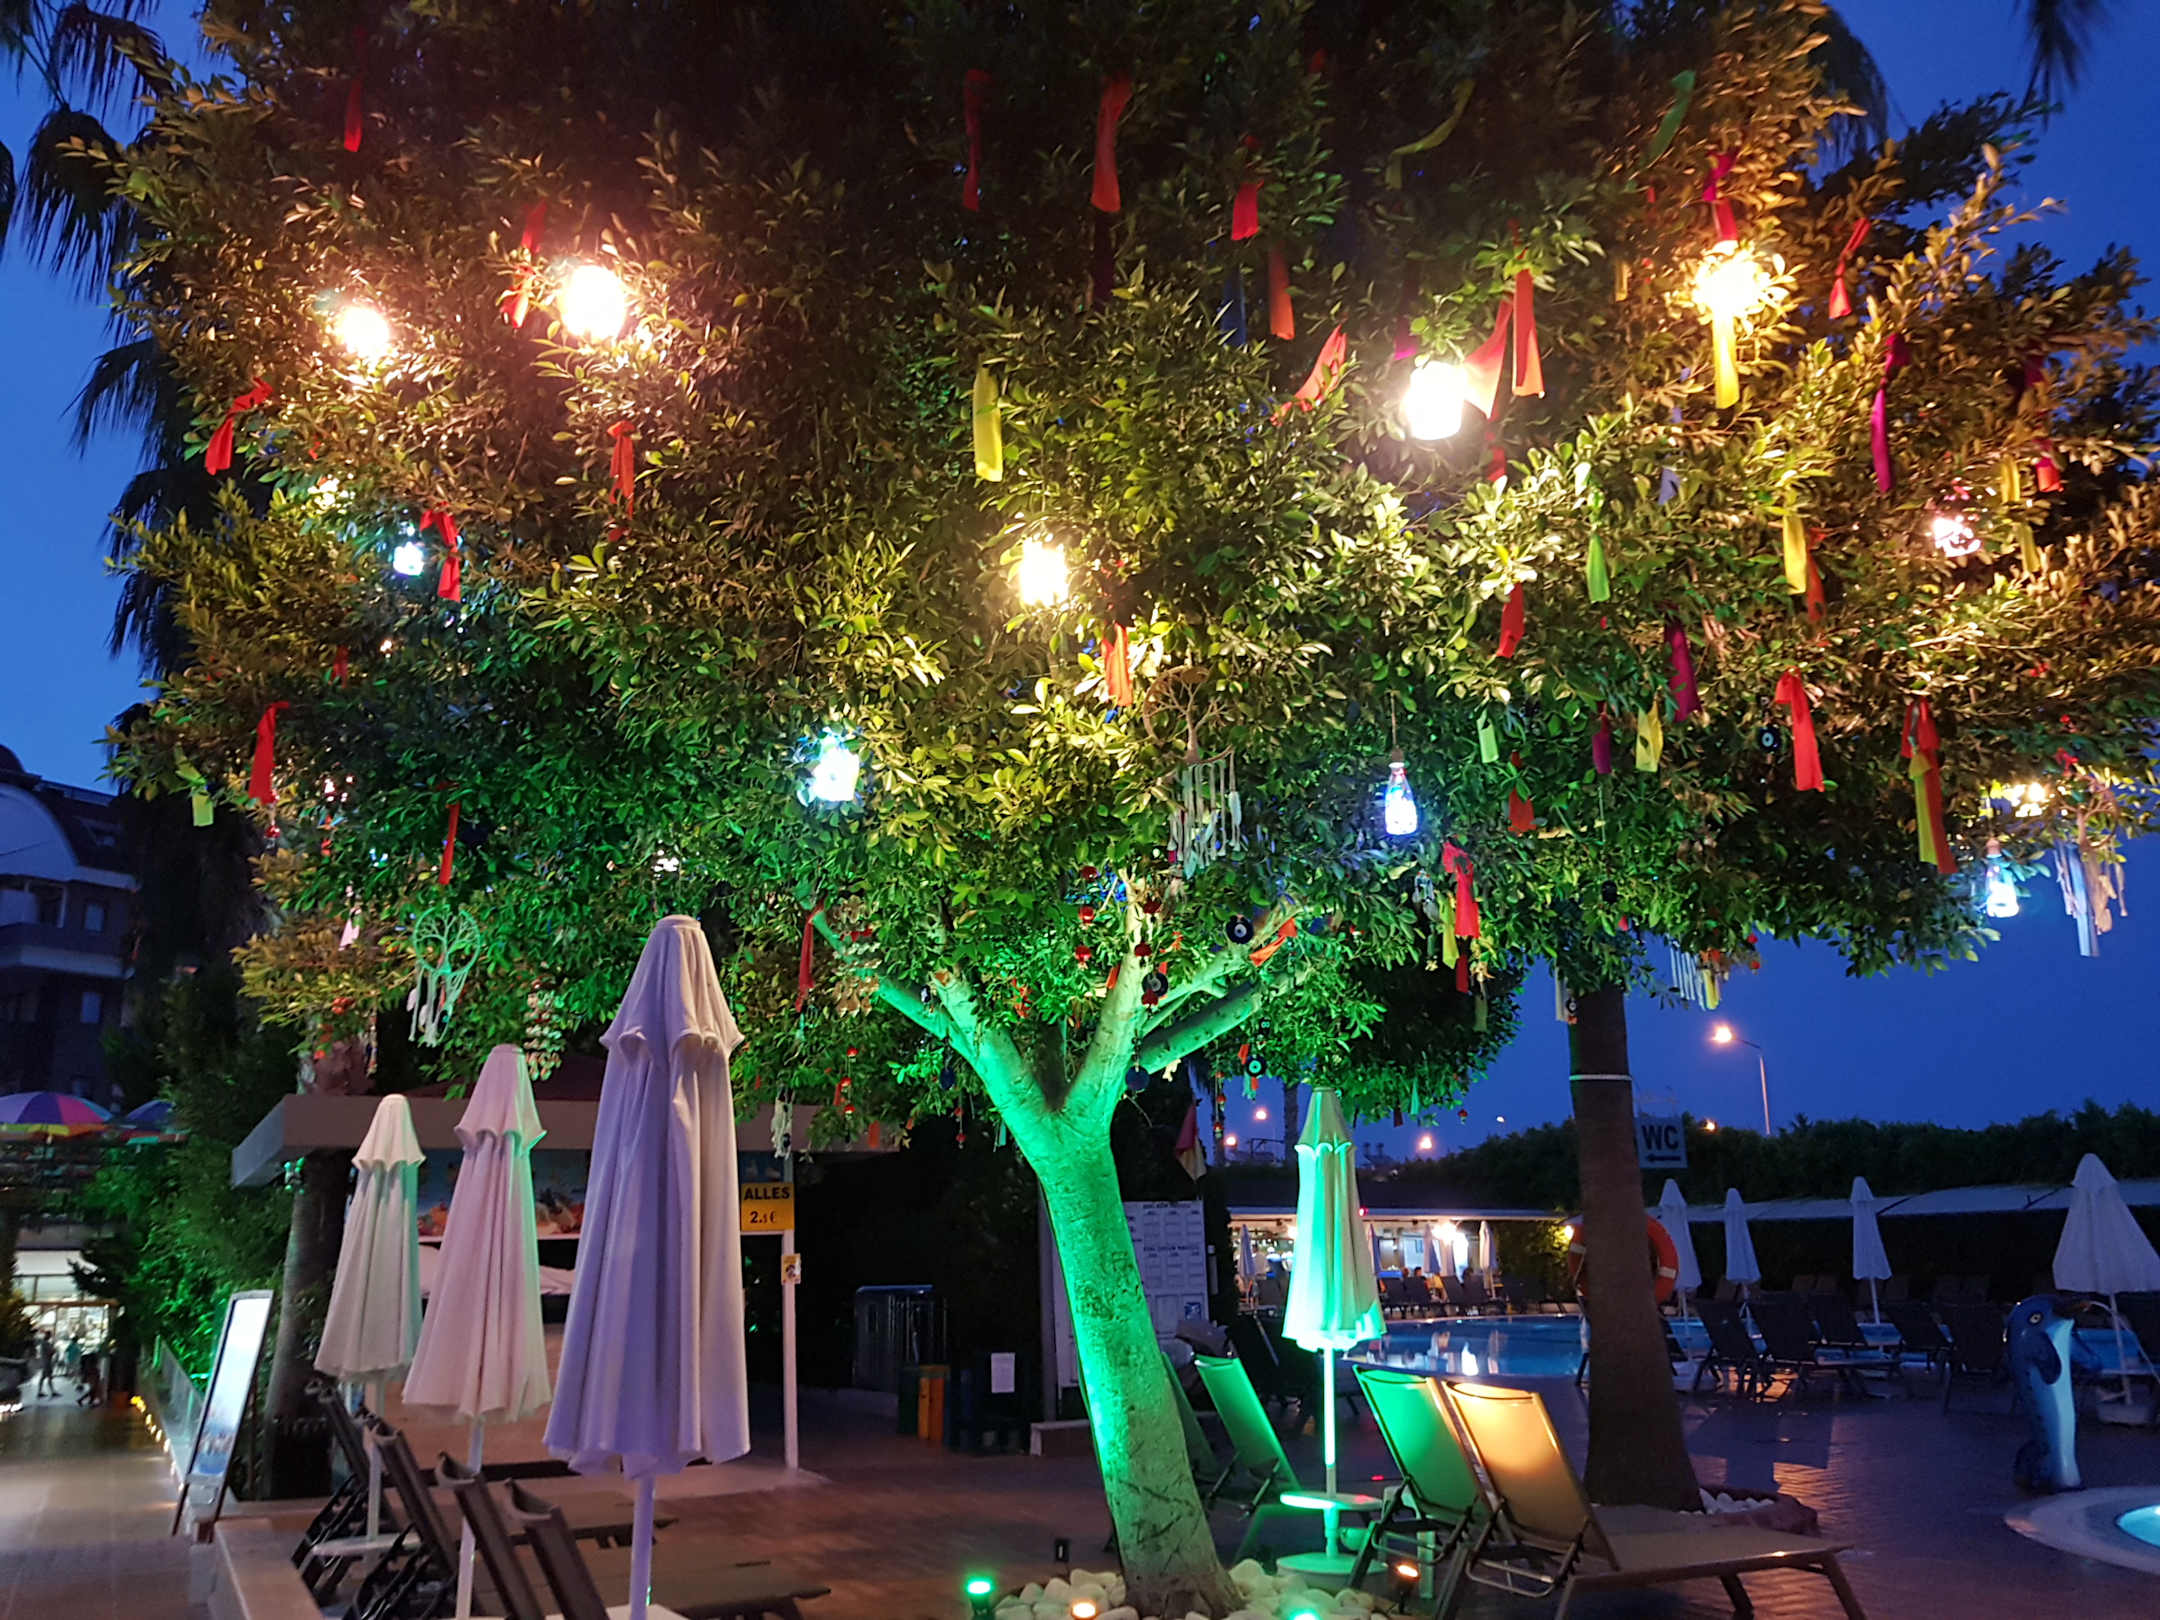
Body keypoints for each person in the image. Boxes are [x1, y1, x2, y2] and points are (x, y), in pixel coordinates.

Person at [35, 1333, 57, 1398]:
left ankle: (40, 1392)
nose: (50, 1337)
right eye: (49, 1336)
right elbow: (51, 1352)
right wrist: (54, 1349)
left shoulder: (44, 1343)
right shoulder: (46, 1343)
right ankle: (52, 1392)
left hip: (45, 1362)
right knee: (49, 1377)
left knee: (43, 1377)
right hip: (47, 1363)